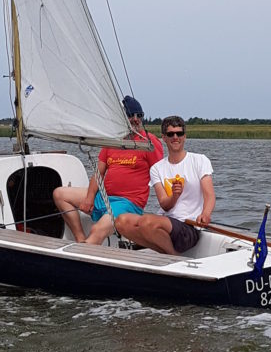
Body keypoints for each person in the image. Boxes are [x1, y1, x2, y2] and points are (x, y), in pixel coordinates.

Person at [52, 96, 163, 243]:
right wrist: (89, 198)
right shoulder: (112, 142)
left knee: (97, 230)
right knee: (59, 194)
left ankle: (85, 252)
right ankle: (80, 238)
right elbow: (98, 173)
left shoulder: (149, 142)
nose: (136, 119)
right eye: (130, 115)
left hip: (128, 203)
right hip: (104, 198)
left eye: (139, 115)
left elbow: (162, 173)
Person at [114, 115, 214, 255]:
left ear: (184, 137)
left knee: (147, 222)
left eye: (179, 133)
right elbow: (165, 205)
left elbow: (209, 195)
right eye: (170, 134)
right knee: (121, 221)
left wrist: (205, 214)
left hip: (188, 227)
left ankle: (172, 256)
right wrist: (175, 196)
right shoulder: (157, 168)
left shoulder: (200, 160)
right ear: (164, 138)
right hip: (166, 221)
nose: (175, 137)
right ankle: (170, 253)